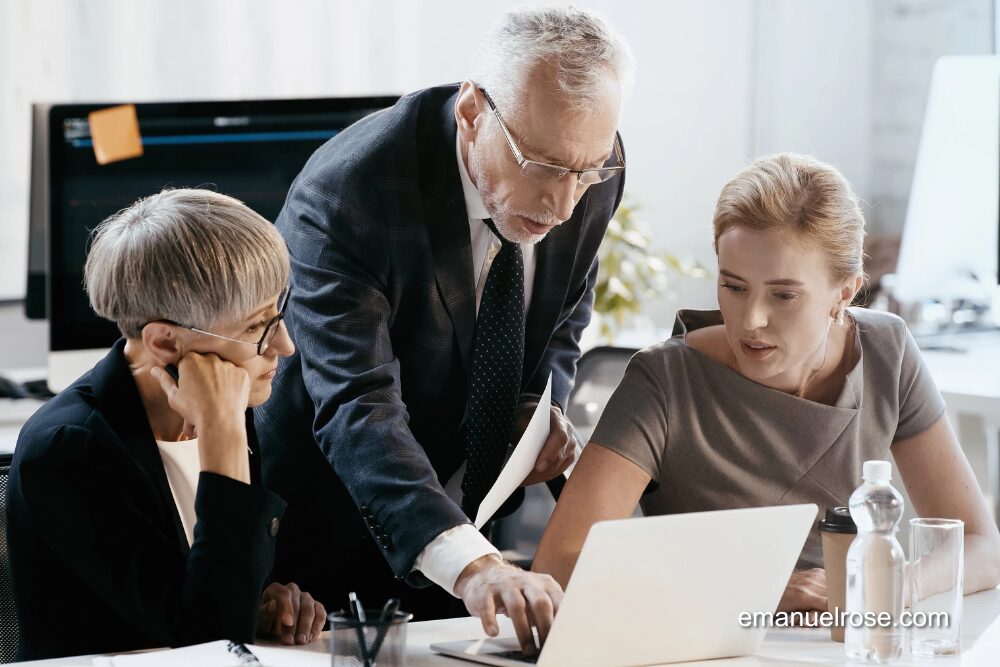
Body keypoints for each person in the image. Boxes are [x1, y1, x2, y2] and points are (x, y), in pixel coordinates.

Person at [255, 6, 632, 654]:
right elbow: (357, 404)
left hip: (474, 535)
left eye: (584, 171)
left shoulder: (591, 164)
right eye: (542, 165)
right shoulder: (349, 195)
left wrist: (534, 406)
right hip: (324, 538)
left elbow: (563, 311)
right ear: (471, 112)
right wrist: (471, 563)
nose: (564, 203)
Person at [531, 153, 1000, 612]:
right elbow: (559, 566)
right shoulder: (664, 380)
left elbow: (981, 545)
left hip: (845, 638)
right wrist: (759, 589)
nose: (752, 320)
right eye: (734, 287)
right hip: (712, 641)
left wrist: (883, 587)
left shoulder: (885, 351)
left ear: (845, 291)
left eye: (783, 295)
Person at [7, 189, 326, 660]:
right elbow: (209, 644)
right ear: (165, 343)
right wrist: (223, 437)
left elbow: (207, 601)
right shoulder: (67, 451)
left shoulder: (227, 401)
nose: (285, 345)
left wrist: (261, 602)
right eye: (255, 327)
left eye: (278, 314)